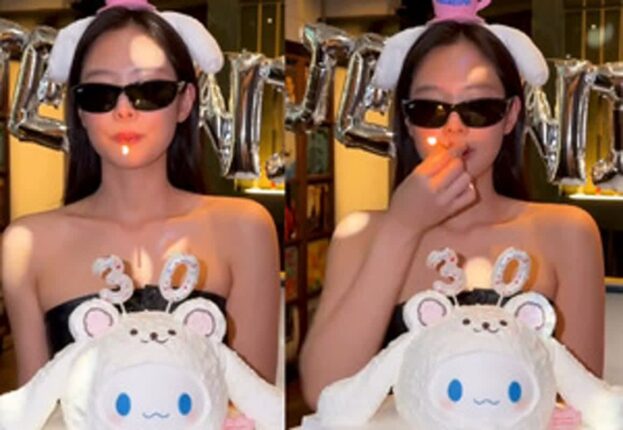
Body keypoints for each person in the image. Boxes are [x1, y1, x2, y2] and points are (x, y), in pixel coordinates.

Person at [299, 15, 605, 408]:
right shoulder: (360, 234)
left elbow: (584, 404)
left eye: (479, 108)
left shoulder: (566, 233)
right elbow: (324, 393)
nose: (454, 128)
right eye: (430, 109)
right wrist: (402, 227)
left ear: (511, 115)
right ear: (407, 120)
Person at [2, 1, 280, 387]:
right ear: (79, 110)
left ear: (185, 102)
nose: (124, 110)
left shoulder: (244, 229)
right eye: (100, 93)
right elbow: (32, 407)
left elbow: (255, 403)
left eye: (151, 90)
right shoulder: (27, 245)